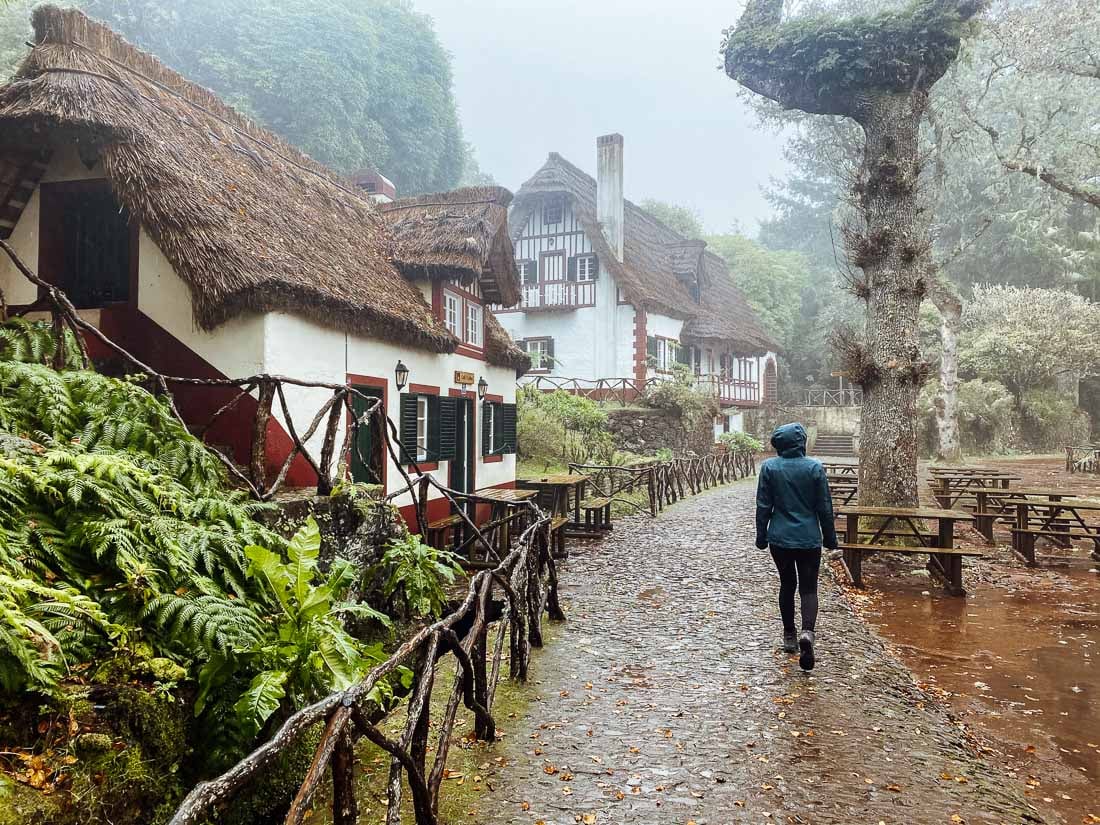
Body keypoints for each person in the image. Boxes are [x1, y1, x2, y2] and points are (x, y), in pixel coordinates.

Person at [754, 422, 838, 671]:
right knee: (809, 588)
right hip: (809, 538)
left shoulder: (769, 467)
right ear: (801, 442)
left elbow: (763, 506)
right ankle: (808, 633)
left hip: (779, 538)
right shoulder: (814, 467)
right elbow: (824, 506)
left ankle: (789, 635)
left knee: (787, 584)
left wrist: (761, 536)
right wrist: (831, 540)